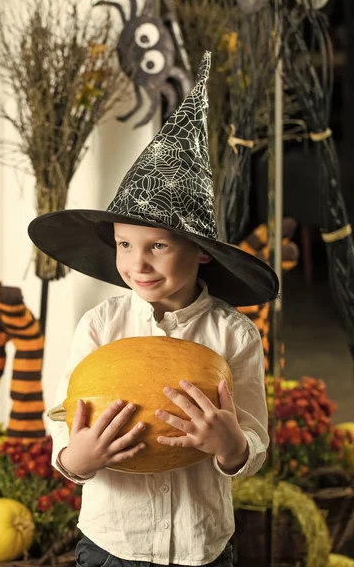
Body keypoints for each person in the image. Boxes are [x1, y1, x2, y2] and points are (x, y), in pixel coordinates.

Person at [28, 51, 279, 567]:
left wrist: (231, 444)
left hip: (203, 546)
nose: (136, 263)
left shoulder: (234, 335)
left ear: (201, 250)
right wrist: (81, 457)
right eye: (123, 244)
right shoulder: (101, 326)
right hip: (112, 545)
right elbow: (62, 421)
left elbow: (253, 441)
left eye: (158, 246)